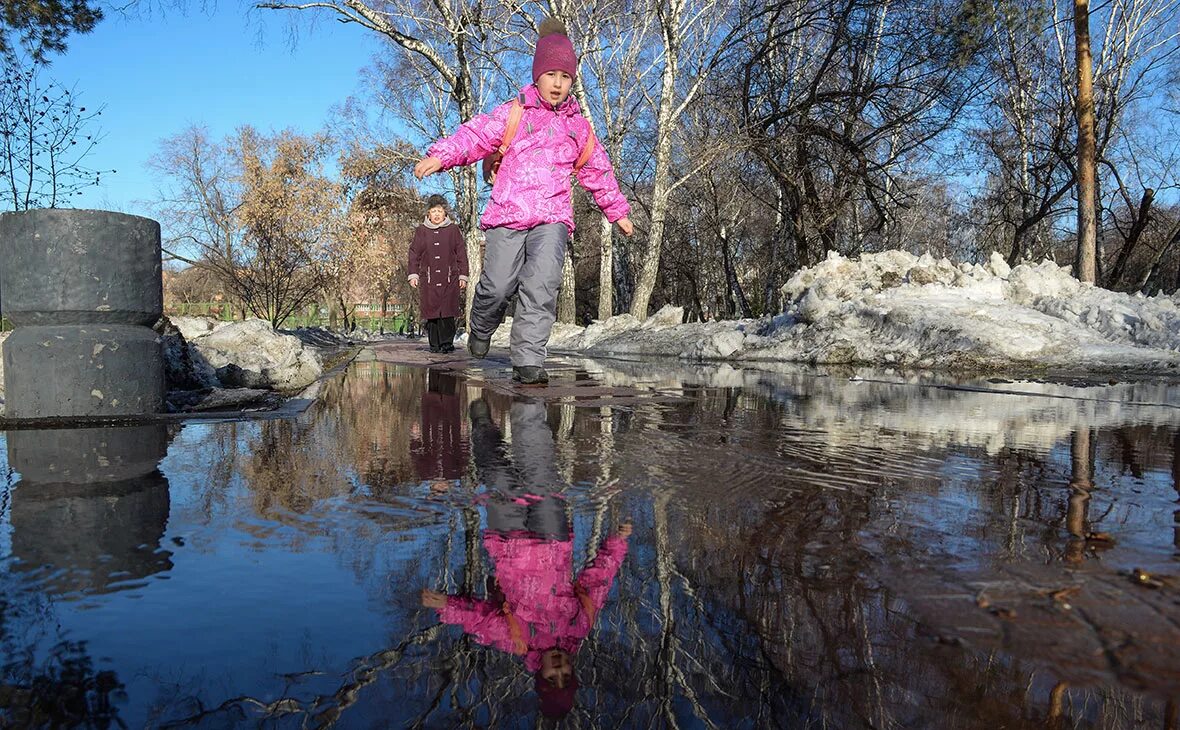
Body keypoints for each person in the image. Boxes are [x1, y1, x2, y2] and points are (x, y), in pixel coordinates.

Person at [414, 18, 634, 384]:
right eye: (551, 75)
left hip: (553, 218)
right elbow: (475, 135)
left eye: (565, 77)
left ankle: (529, 358)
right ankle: (481, 323)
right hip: (507, 214)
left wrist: (618, 211)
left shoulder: (578, 126)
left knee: (542, 284)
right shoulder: (514, 112)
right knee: (498, 284)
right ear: (537, 75)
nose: (558, 84)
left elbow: (598, 169)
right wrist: (442, 155)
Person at [421, 398, 631, 719]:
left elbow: (478, 619)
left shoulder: (519, 640)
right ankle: (528, 407)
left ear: (540, 675)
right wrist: (617, 543)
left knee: (498, 475)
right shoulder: (579, 625)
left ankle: (482, 425)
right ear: (574, 670)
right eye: (567, 676)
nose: (559, 670)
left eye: (552, 678)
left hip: (509, 541)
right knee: (541, 470)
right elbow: (597, 579)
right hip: (553, 537)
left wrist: (446, 606)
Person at [408, 194, 469, 354]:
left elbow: (461, 253)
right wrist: (413, 274)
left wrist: (463, 275)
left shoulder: (453, 230)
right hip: (429, 278)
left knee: (448, 312)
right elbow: (414, 253)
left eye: (439, 211)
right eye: (433, 211)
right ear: (428, 213)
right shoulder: (421, 231)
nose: (436, 214)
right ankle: (434, 345)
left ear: (445, 213)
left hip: (450, 277)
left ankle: (447, 343)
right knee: (432, 313)